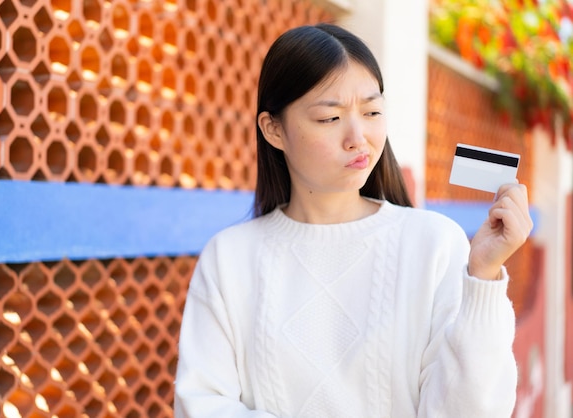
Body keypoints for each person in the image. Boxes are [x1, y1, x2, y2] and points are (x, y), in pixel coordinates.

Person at [174, 23, 533, 417]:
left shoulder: (434, 243)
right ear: (273, 129)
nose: (358, 137)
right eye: (329, 118)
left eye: (372, 111)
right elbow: (202, 404)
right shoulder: (229, 259)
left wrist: (482, 277)